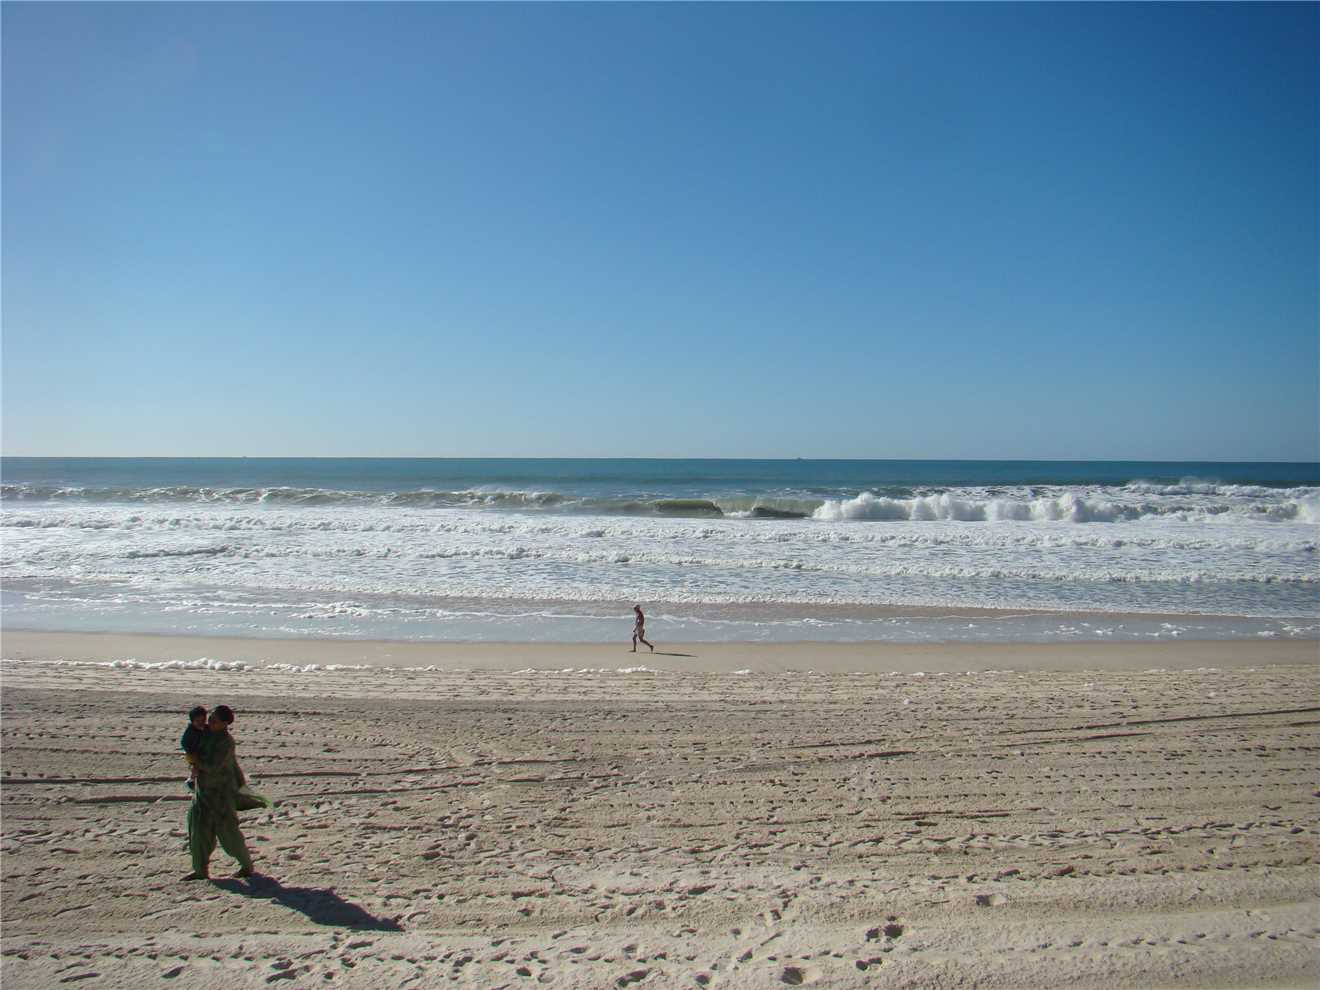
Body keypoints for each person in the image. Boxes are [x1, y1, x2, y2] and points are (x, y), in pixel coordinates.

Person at [184, 704, 255, 881]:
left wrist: (196, 762)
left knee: (229, 834)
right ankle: (200, 870)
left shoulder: (226, 742)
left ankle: (246, 867)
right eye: (210, 718)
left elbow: (214, 766)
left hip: (221, 795)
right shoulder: (205, 733)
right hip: (203, 793)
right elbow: (189, 742)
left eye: (214, 720)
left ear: (224, 724)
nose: (209, 722)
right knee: (199, 831)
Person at [180, 705, 207, 790]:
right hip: (192, 753)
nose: (201, 723)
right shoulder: (190, 731)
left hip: (202, 751)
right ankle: (191, 780)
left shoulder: (206, 728)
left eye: (203, 720)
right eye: (198, 721)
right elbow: (184, 742)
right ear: (192, 721)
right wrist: (190, 751)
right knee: (196, 768)